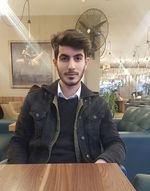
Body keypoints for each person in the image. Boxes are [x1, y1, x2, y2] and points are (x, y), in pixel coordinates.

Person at [7, 29, 126, 165]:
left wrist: (102, 162)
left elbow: (116, 144)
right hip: (40, 174)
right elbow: (19, 142)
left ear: (86, 63)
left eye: (78, 58)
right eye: (64, 58)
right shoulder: (34, 99)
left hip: (85, 175)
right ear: (55, 62)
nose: (71, 66)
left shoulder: (99, 104)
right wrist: (19, 173)